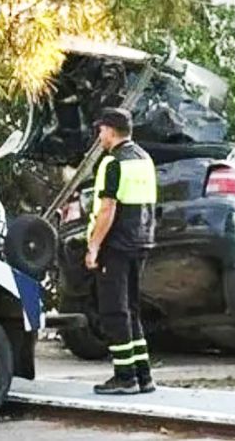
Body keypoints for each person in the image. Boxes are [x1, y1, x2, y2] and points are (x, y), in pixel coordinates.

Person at [84, 107, 158, 395]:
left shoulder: (113, 163)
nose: (99, 134)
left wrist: (93, 246)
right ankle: (143, 375)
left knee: (115, 311)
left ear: (112, 131)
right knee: (132, 309)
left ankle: (125, 377)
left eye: (101, 129)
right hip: (141, 241)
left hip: (115, 245)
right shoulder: (144, 159)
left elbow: (107, 208)